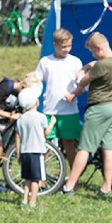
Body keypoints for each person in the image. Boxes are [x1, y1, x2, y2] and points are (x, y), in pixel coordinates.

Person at [61, 32, 112, 195]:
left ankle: (69, 186)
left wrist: (83, 71)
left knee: (84, 148)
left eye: (93, 52)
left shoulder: (101, 66)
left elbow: (83, 81)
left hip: (98, 108)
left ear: (98, 48)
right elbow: (96, 64)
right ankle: (106, 186)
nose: (93, 55)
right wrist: (90, 64)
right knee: (108, 149)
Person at [36, 28, 83, 167]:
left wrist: (74, 94)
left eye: (69, 46)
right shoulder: (45, 62)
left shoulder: (75, 62)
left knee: (69, 143)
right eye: (64, 47)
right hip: (49, 109)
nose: (67, 49)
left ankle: (74, 178)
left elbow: (82, 85)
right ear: (55, 45)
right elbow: (38, 81)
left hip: (69, 111)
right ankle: (44, 178)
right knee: (46, 144)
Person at [15, 86, 54, 208]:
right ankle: (33, 201)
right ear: (36, 102)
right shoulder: (41, 117)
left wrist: (18, 153)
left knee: (27, 178)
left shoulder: (20, 119)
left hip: (25, 152)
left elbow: (18, 137)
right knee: (36, 179)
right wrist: (52, 122)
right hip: (37, 152)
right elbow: (45, 133)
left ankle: (24, 199)